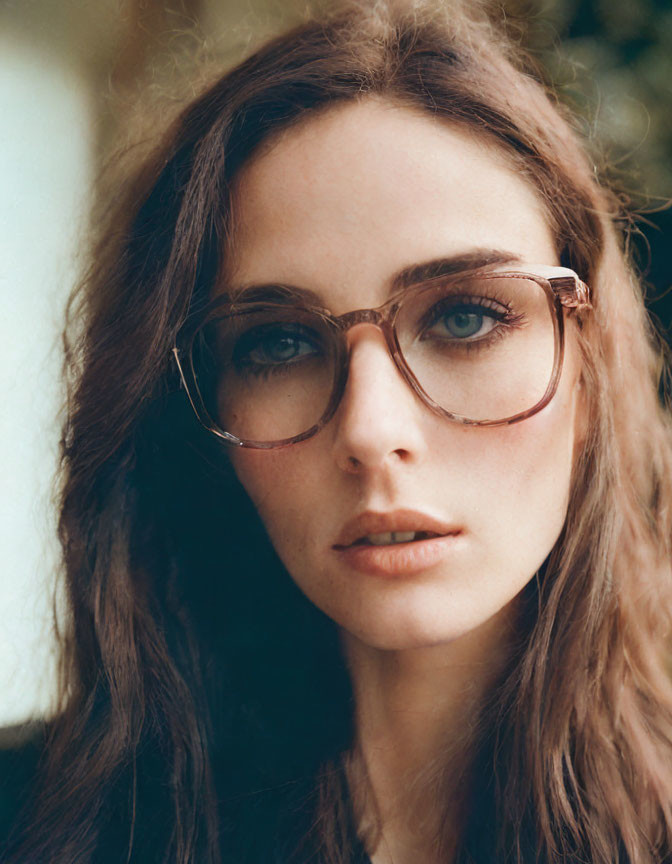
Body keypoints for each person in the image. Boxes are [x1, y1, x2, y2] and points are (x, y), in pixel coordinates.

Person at [2, 0, 672, 862]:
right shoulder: (39, 823)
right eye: (277, 343)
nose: (371, 429)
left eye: (467, 317)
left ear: (587, 357)